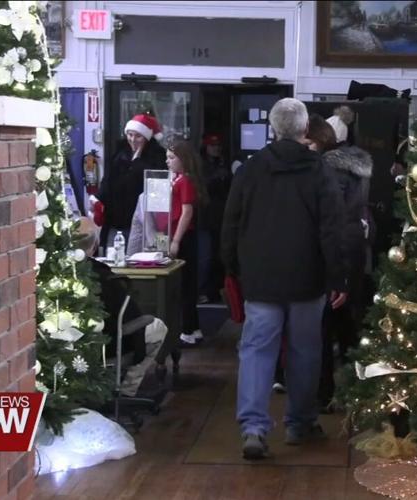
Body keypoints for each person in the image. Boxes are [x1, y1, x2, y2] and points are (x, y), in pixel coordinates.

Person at [222, 98, 347, 460]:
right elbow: (332, 230)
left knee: (256, 351)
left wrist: (231, 268)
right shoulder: (320, 170)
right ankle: (300, 423)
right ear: (305, 129)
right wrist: (337, 277)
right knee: (305, 352)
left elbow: (231, 222)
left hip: (260, 276)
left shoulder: (250, 170)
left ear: (273, 129)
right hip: (308, 277)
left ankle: (254, 428)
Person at [306, 113, 374, 412]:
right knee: (349, 330)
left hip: (335, 259)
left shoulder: (328, 171)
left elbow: (332, 223)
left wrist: (336, 273)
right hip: (353, 255)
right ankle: (350, 392)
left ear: (318, 140)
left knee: (324, 330)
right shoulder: (353, 169)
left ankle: (326, 394)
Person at [78, 217, 167, 396]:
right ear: (95, 245)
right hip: (108, 345)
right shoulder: (106, 277)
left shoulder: (55, 275)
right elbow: (129, 315)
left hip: (71, 346)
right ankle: (126, 390)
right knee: (157, 326)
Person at [164, 137, 210, 347]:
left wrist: (175, 240)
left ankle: (188, 328)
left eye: (172, 158)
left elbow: (186, 212)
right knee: (185, 284)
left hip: (184, 237)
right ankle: (194, 327)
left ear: (183, 159)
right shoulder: (178, 179)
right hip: (179, 235)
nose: (168, 161)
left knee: (185, 285)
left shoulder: (185, 181)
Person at [97, 114, 167, 250]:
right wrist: (98, 199)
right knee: (116, 260)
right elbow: (108, 182)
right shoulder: (119, 154)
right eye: (130, 135)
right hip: (118, 221)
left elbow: (157, 185)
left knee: (157, 256)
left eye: (138, 136)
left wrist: (137, 162)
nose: (133, 140)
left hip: (151, 223)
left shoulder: (158, 157)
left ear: (147, 137)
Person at [199, 133, 232, 303]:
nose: (216, 148)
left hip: (222, 215)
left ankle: (219, 289)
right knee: (206, 255)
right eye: (212, 145)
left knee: (220, 254)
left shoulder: (224, 162)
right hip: (207, 217)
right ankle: (205, 290)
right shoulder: (202, 165)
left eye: (218, 145)